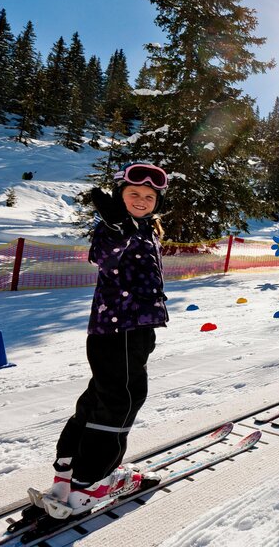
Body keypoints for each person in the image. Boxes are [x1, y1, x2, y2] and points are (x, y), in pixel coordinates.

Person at [36, 163, 170, 519]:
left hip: (128, 329)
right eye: (133, 193)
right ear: (118, 196)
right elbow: (103, 254)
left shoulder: (145, 228)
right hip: (121, 329)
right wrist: (115, 227)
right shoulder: (116, 229)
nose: (141, 200)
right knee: (122, 399)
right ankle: (92, 481)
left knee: (100, 396)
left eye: (149, 196)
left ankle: (68, 470)